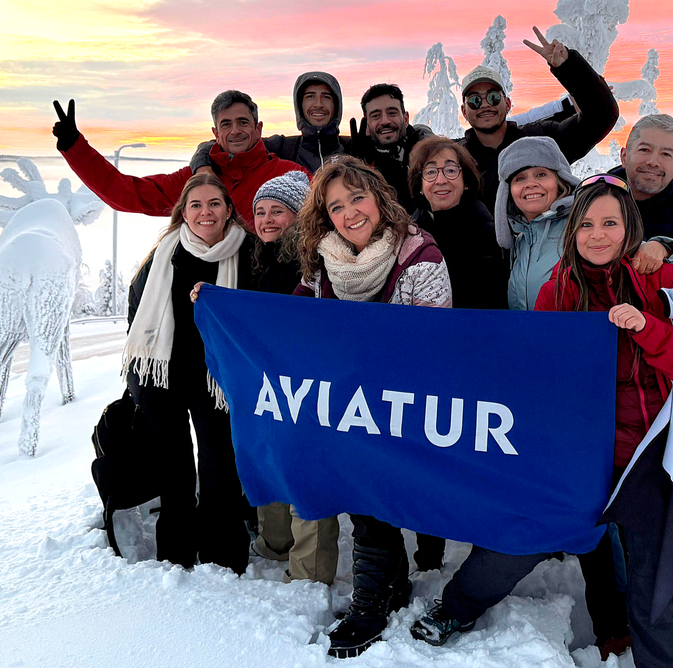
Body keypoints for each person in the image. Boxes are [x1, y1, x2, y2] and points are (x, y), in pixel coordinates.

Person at [411, 174, 673, 668]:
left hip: (651, 456)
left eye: (610, 223)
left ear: (630, 228)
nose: (598, 235)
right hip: (579, 457)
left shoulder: (665, 281)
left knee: (654, 581)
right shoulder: (559, 288)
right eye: (587, 225)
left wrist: (648, 328)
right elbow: (539, 377)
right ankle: (456, 607)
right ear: (572, 230)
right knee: (516, 540)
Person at [291, 155, 451, 659]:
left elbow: (433, 337)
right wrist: (220, 303)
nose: (349, 213)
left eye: (357, 198)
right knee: (364, 496)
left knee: (371, 496)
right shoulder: (323, 262)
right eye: (336, 206)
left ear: (379, 198)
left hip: (407, 398)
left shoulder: (420, 254)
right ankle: (388, 589)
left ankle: (369, 605)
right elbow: (292, 320)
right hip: (350, 401)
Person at [124, 173, 258, 575]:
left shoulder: (246, 253)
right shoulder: (164, 253)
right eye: (196, 205)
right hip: (161, 376)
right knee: (174, 470)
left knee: (219, 468)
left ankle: (222, 556)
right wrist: (141, 378)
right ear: (183, 212)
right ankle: (175, 555)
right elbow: (137, 313)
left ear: (228, 209)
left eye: (214, 203)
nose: (205, 212)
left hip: (216, 377)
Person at [243, 171, 342, 586]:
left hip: (308, 383)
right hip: (270, 384)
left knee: (305, 473)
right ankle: (274, 542)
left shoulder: (309, 260)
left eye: (277, 211)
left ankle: (309, 574)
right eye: (260, 211)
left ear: (298, 215)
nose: (267, 219)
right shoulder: (259, 258)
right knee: (273, 460)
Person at [52, 91, 305, 229]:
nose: (235, 130)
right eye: (226, 124)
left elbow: (327, 209)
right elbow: (128, 193)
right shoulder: (194, 181)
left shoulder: (286, 175)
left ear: (258, 128)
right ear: (216, 133)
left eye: (243, 122)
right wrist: (75, 147)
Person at [459, 26, 619, 210]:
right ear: (464, 111)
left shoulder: (542, 140)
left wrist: (568, 67)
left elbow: (602, 116)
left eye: (493, 97)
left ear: (508, 103)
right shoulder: (456, 157)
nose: (485, 105)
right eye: (475, 100)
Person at [408, 136, 508, 310]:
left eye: (451, 170)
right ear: (420, 185)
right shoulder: (407, 237)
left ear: (466, 181)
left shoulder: (491, 236)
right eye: (431, 172)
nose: (441, 180)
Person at [192, 72, 347, 175]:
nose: (318, 104)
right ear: (299, 106)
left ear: (337, 105)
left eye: (326, 97)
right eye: (310, 96)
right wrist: (202, 168)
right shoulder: (283, 147)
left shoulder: (353, 146)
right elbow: (217, 146)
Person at [608, 114, 673, 271]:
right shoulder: (592, 199)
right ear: (624, 156)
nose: (653, 162)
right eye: (645, 149)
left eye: (666, 154)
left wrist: (664, 247)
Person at [493, 136, 578, 311]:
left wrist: (651, 245)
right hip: (528, 336)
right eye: (520, 178)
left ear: (559, 181)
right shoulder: (521, 238)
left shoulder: (580, 226)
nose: (531, 184)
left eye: (541, 174)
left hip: (570, 336)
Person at [349, 83, 433, 213]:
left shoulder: (426, 153)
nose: (385, 121)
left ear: (405, 119)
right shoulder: (358, 158)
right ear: (367, 125)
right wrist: (357, 170)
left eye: (392, 113)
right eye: (376, 115)